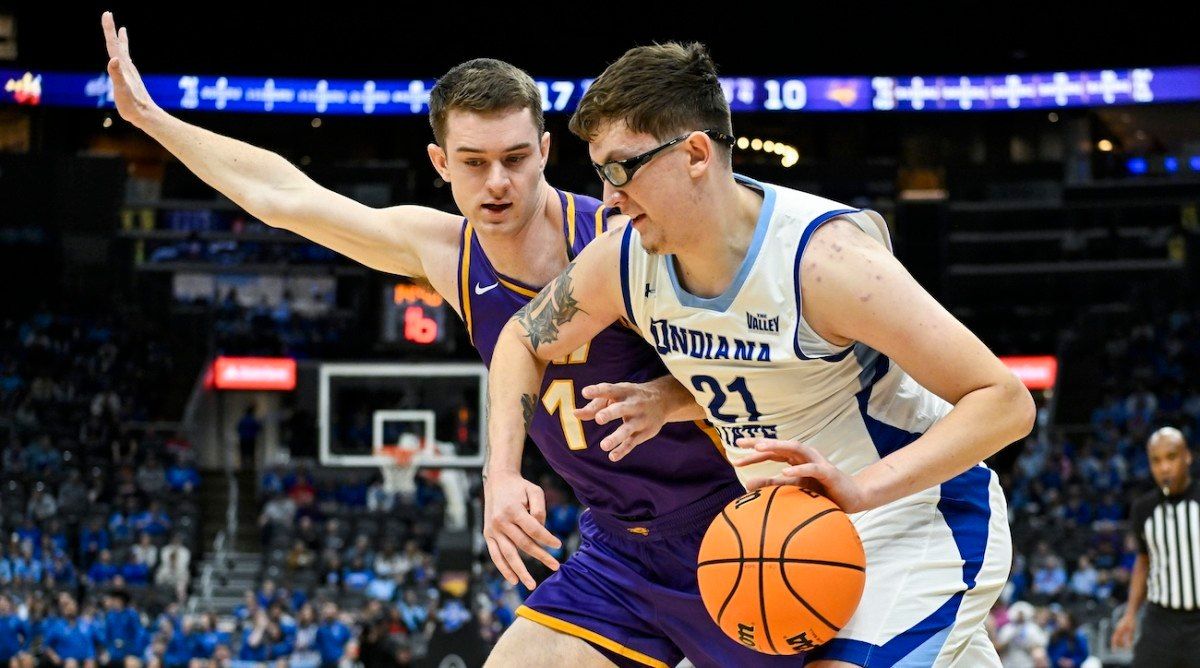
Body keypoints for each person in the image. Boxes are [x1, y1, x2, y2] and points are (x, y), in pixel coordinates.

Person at [102, 14, 784, 667]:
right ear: (440, 162)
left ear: (546, 151)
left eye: (517, 158)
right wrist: (154, 121)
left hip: (729, 522)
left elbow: (756, 376)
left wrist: (662, 397)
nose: (497, 182)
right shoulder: (444, 254)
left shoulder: (621, 237)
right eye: (475, 161)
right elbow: (282, 195)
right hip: (616, 544)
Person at [486, 42, 1034, 667]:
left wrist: (858, 488)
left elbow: (1004, 402)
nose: (608, 198)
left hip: (915, 516)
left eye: (621, 169)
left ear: (694, 154)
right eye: (600, 174)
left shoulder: (826, 265)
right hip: (787, 528)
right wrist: (503, 473)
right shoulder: (624, 261)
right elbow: (521, 339)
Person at [1112, 426, 1200, 667]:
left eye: (1171, 457)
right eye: (1156, 461)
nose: (1164, 467)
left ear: (1188, 456)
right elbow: (1143, 562)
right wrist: (1130, 615)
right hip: (1161, 619)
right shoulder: (1143, 509)